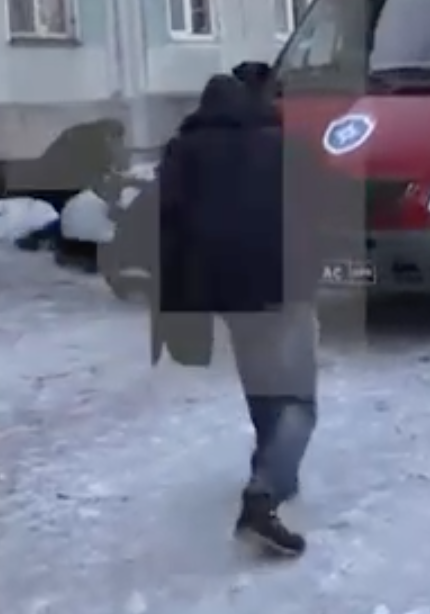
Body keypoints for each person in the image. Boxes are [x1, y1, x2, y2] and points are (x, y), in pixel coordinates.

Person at [153, 73, 319, 557]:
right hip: (285, 284)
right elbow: (314, 213)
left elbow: (166, 230)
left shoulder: (182, 152)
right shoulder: (280, 144)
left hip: (224, 290)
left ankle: (273, 469)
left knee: (261, 382)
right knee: (299, 401)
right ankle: (263, 496)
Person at [14, 118, 129, 262]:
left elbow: (101, 171)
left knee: (72, 213)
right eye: (117, 139)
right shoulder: (89, 142)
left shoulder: (87, 137)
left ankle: (41, 239)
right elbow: (93, 175)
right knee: (73, 213)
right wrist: (112, 202)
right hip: (56, 182)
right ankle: (43, 240)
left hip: (56, 178)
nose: (118, 143)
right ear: (108, 135)